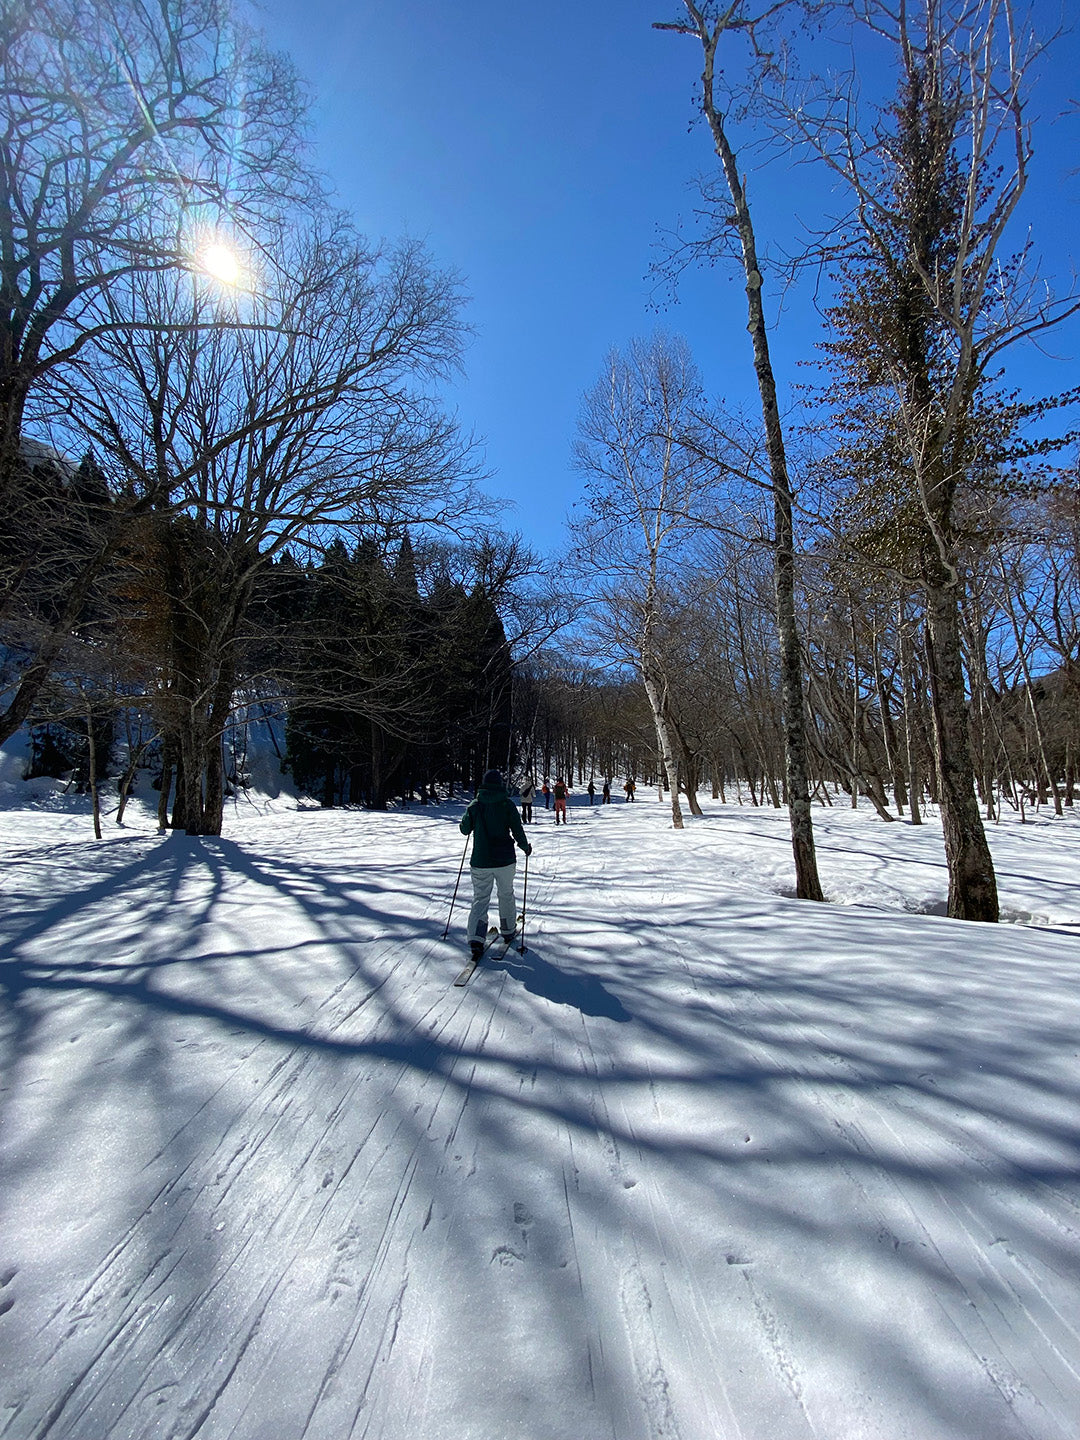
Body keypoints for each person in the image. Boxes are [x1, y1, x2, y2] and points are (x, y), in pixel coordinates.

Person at [459, 770, 531, 959]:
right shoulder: (506, 804)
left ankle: (476, 938)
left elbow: (464, 829)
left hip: (481, 860)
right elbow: (517, 828)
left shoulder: (476, 804)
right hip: (505, 860)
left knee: (480, 898)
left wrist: (470, 815)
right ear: (500, 784)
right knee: (506, 894)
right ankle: (508, 930)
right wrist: (525, 847)